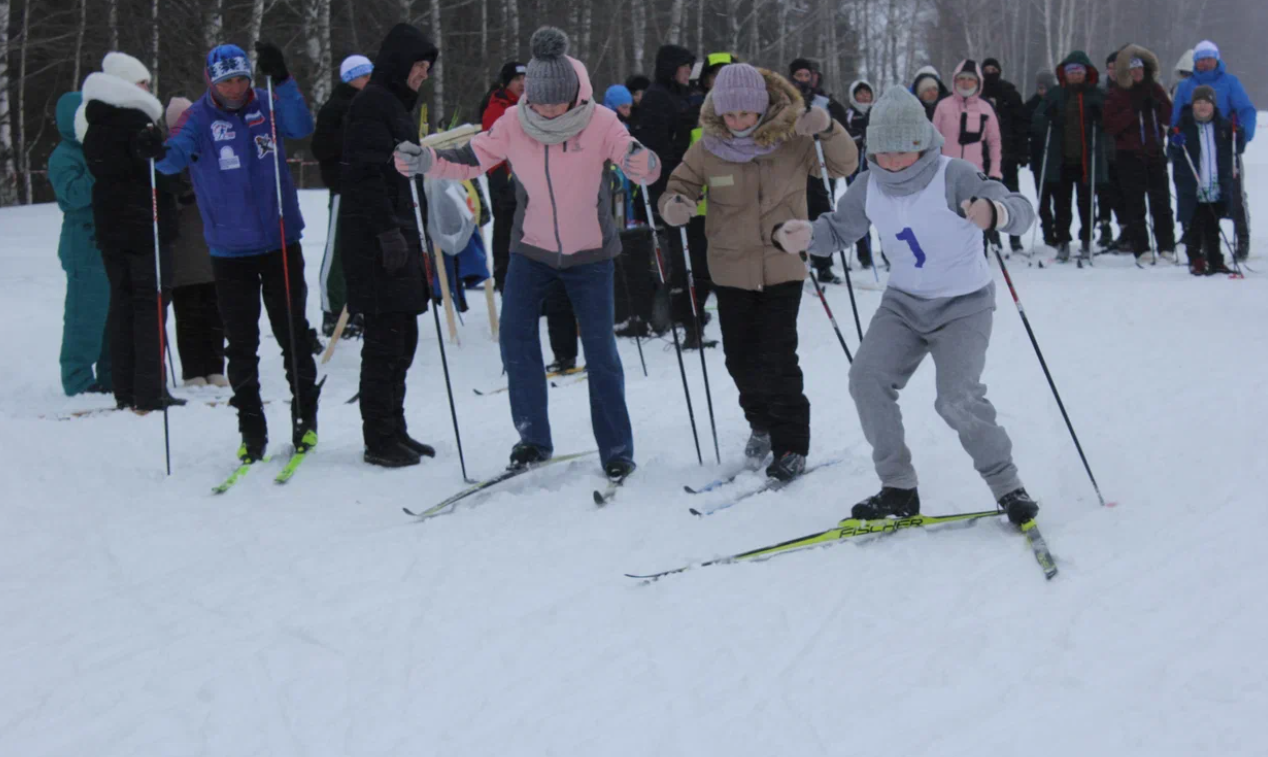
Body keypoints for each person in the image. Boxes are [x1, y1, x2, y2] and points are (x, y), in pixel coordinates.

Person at [395, 27, 661, 480]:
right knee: (516, 341)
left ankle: (617, 448)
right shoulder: (515, 121)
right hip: (531, 249)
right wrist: (426, 161)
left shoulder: (599, 120)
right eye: (540, 102)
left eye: (558, 102)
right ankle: (533, 439)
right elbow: (473, 156)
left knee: (600, 354)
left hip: (590, 253)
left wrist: (644, 163)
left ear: (574, 94)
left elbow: (634, 157)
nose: (549, 110)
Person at [776, 86, 1040, 526]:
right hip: (903, 304)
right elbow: (839, 231)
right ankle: (897, 487)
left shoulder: (954, 175)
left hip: (963, 304)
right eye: (884, 152)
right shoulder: (868, 184)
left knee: (956, 398)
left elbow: (1020, 209)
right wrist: (802, 236)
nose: (894, 161)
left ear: (924, 143)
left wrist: (995, 212)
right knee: (866, 379)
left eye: (906, 150)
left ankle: (1007, 486)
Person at [658, 63, 858, 481]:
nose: (738, 123)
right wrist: (674, 204)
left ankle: (791, 445)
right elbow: (682, 184)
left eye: (746, 115)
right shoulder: (709, 146)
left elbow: (842, 165)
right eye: (730, 115)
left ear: (763, 108)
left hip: (782, 265)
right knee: (739, 358)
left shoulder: (793, 140)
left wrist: (827, 129)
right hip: (730, 268)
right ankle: (761, 423)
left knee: (779, 357)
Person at [156, 42, 319, 462]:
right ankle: (252, 430)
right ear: (212, 80)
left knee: (293, 336)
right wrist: (153, 149)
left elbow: (301, 127)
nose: (236, 87)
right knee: (241, 345)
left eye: (242, 78)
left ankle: (305, 422)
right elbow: (172, 159)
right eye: (227, 80)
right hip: (230, 251)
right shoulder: (197, 117)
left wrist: (282, 80)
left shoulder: (266, 101)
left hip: (281, 240)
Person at [335, 24, 439, 468]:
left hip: (397, 228)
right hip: (375, 238)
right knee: (385, 339)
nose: (423, 75)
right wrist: (386, 231)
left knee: (404, 336)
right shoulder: (371, 104)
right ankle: (378, 437)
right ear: (399, 63)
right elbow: (364, 173)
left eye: (427, 68)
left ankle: (395, 426)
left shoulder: (392, 102)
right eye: (419, 66)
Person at [79, 52, 183, 413]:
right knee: (150, 306)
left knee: (122, 306)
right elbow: (158, 176)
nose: (147, 89)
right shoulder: (137, 121)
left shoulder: (93, 122)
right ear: (124, 85)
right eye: (141, 83)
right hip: (145, 227)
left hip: (113, 228)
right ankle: (151, 391)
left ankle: (125, 388)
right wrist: (173, 171)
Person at [639, 43, 706, 347]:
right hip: (670, 187)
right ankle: (684, 318)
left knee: (698, 255)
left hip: (693, 184)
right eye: (683, 66)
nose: (688, 72)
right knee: (683, 258)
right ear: (670, 67)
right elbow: (657, 147)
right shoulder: (656, 97)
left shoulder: (682, 95)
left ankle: (695, 314)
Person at [50, 91, 111, 397]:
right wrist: (97, 169)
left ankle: (112, 374)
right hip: (83, 246)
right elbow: (72, 196)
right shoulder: (64, 155)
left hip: (110, 241)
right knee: (84, 316)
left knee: (112, 314)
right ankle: (77, 378)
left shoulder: (100, 147)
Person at [1171, 40, 1256, 260]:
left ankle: (1242, 238)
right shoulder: (1186, 86)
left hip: (1224, 145)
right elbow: (1177, 116)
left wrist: (1244, 133)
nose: (1205, 63)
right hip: (1195, 147)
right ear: (1195, 62)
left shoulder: (1230, 82)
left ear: (1216, 60)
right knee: (1196, 195)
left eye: (1209, 59)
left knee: (1234, 194)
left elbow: (1246, 109)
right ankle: (1199, 242)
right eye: (1201, 60)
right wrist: (1174, 135)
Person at [310, 54, 374, 339]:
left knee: (363, 250)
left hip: (368, 187)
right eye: (365, 77)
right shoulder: (336, 108)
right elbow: (321, 148)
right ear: (352, 79)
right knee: (338, 251)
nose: (370, 82)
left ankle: (358, 306)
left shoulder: (372, 105)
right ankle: (333, 309)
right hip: (344, 188)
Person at [165, 96, 227, 388]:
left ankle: (215, 366)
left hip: (211, 245)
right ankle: (193, 371)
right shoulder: (168, 157)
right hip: (182, 249)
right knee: (188, 313)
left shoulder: (209, 150)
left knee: (214, 311)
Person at [1030, 51, 1108, 262]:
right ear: (1065, 74)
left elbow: (1107, 121)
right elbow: (1038, 117)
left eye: (1078, 72)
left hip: (1086, 160)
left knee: (1086, 203)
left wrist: (1099, 117)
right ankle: (1063, 241)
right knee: (1062, 204)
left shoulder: (1095, 94)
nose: (1075, 76)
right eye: (1071, 72)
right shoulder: (1056, 94)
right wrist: (1047, 121)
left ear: (1086, 73)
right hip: (1061, 159)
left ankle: (1086, 240)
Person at [1104, 45, 1176, 264]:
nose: (1137, 73)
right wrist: (1132, 111)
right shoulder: (1117, 92)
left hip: (1154, 153)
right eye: (1132, 69)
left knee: (1161, 203)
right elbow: (1110, 125)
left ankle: (1166, 247)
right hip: (1129, 156)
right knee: (1135, 205)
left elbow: (1168, 117)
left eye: (1140, 69)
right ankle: (1141, 249)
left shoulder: (1154, 89)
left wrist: (1157, 105)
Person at [789, 58, 851, 284]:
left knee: (822, 213)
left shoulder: (825, 102)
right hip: (793, 167)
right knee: (795, 213)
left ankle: (823, 264)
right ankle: (796, 262)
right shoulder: (785, 103)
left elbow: (841, 127)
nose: (804, 80)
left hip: (820, 167)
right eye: (799, 76)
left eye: (807, 75)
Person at [1170, 86, 1235, 275]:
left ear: (1213, 105)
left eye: (1207, 103)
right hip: (1193, 184)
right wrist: (1175, 142)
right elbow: (1172, 152)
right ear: (1192, 106)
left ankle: (1215, 260)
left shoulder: (1222, 126)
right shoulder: (1184, 125)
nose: (1203, 107)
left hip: (1215, 184)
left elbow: (1235, 146)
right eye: (1198, 103)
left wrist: (1237, 132)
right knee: (1193, 224)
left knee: (1212, 225)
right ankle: (1196, 259)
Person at [481, 60, 526, 292]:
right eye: (517, 79)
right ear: (507, 83)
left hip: (528, 180)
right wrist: (500, 180)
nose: (522, 83)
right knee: (506, 230)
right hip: (505, 180)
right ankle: (504, 278)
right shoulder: (497, 106)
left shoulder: (528, 106)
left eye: (524, 79)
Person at [981, 57, 1031, 252]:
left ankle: (1015, 237)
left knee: (1011, 195)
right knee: (989, 196)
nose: (990, 72)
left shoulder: (1010, 93)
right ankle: (993, 236)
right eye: (987, 69)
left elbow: (1021, 125)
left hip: (1008, 153)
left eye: (994, 69)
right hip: (986, 156)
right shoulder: (979, 95)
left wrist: (1022, 151)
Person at [933, 60, 1003, 180]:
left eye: (971, 79)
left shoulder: (985, 108)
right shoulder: (942, 106)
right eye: (962, 78)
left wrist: (994, 171)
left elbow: (994, 142)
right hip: (946, 173)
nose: (966, 83)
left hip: (975, 174)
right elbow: (932, 141)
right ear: (955, 80)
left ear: (978, 82)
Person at [842, 80, 875, 268]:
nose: (864, 97)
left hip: (876, 168)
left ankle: (889, 253)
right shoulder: (849, 114)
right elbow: (844, 137)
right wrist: (858, 138)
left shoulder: (877, 112)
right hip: (855, 167)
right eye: (860, 93)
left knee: (881, 209)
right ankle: (864, 254)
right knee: (860, 211)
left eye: (867, 93)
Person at [1025, 71, 1058, 247]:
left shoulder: (1057, 102)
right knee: (1043, 197)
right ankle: (1048, 230)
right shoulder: (1032, 104)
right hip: (1039, 159)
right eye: (1040, 86)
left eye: (1045, 86)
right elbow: (1025, 127)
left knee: (1059, 197)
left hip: (1057, 159)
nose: (1042, 89)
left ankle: (1060, 230)